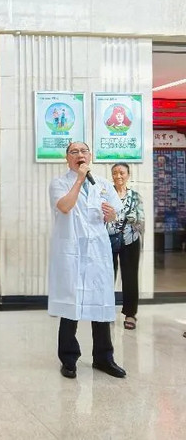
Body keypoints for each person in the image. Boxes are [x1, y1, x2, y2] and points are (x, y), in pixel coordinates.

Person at [48, 142, 126, 379]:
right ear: (67, 158)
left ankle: (104, 358)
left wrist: (112, 215)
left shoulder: (102, 184)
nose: (79, 155)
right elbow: (64, 206)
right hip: (71, 250)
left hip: (97, 251)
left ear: (90, 156)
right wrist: (80, 179)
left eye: (83, 151)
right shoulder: (59, 183)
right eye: (74, 152)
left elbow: (115, 213)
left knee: (100, 302)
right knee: (70, 303)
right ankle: (69, 359)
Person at [107, 163, 144, 330]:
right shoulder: (105, 195)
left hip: (130, 241)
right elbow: (99, 216)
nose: (118, 176)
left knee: (130, 278)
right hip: (108, 240)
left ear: (128, 175)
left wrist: (131, 219)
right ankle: (107, 311)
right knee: (107, 277)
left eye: (121, 173)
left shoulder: (135, 196)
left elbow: (141, 221)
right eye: (115, 173)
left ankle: (130, 314)